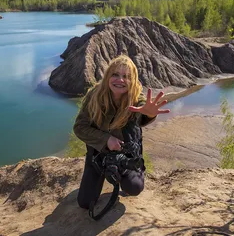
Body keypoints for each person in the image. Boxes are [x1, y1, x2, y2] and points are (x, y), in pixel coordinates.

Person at [73, 55, 170, 210]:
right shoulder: (94, 95)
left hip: (125, 154)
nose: (120, 80)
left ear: (133, 80)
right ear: (108, 76)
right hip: (98, 153)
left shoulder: (136, 96)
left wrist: (150, 113)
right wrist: (106, 140)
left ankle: (135, 170)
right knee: (85, 203)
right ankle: (102, 173)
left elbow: (143, 106)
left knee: (134, 188)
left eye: (127, 77)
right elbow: (79, 127)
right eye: (115, 75)